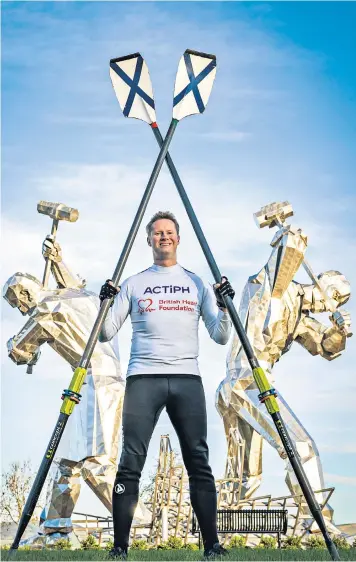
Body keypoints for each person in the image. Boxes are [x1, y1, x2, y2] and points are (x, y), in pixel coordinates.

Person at [99, 211, 235, 559]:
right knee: (131, 460)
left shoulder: (196, 282)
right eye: (157, 233)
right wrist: (105, 302)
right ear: (149, 240)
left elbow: (220, 336)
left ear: (178, 238)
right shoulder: (133, 283)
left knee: (198, 460)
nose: (163, 237)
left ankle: (212, 546)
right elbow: (105, 332)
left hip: (187, 378)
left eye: (169, 232)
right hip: (143, 377)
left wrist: (224, 306)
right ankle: (119, 548)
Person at [216, 217, 352, 528]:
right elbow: (285, 258)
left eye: (340, 302)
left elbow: (324, 347)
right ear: (321, 281)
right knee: (300, 447)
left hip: (246, 385)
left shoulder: (301, 316)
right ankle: (316, 522)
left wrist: (339, 333)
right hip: (246, 378)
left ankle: (224, 532)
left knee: (245, 477)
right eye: (334, 295)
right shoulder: (277, 288)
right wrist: (291, 234)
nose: (331, 304)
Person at [3, 236, 130, 545]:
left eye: (16, 302)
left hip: (97, 380)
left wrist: (17, 347)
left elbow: (19, 350)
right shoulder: (78, 294)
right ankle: (55, 529)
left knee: (96, 463)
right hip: (93, 381)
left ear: (24, 292)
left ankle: (138, 521)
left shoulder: (46, 310)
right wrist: (58, 260)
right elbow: (70, 282)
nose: (19, 309)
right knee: (68, 464)